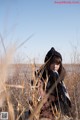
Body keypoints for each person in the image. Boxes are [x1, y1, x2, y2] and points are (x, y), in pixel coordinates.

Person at [36, 47, 72, 120]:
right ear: (47, 63)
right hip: (43, 104)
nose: (55, 66)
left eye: (57, 63)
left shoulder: (60, 75)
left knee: (61, 106)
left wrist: (57, 97)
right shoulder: (40, 74)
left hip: (56, 104)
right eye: (52, 63)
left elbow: (64, 95)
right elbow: (36, 92)